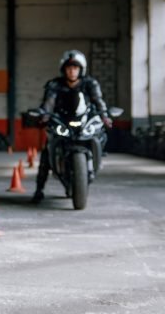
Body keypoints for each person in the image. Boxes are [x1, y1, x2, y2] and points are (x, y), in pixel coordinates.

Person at [31, 49, 112, 204]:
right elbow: (48, 103)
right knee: (47, 150)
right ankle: (39, 189)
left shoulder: (90, 83)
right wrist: (44, 115)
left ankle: (97, 158)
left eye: (75, 68)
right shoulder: (55, 84)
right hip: (62, 120)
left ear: (81, 69)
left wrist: (105, 116)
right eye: (69, 68)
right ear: (64, 69)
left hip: (83, 120)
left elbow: (98, 101)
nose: (72, 71)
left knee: (101, 135)